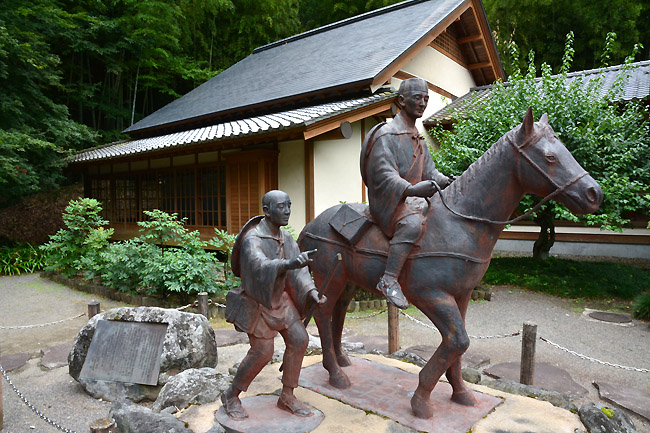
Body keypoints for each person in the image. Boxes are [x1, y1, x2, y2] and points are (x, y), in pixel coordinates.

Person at [221, 190, 326, 419]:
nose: (287, 211)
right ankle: (231, 395)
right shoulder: (252, 239)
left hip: (282, 301)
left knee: (299, 339)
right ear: (267, 211)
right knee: (262, 352)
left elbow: (300, 272)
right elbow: (258, 266)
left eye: (289, 205)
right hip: (258, 302)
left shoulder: (286, 238)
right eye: (281, 207)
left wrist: (312, 292)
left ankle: (287, 394)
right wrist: (288, 263)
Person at [360, 78, 454, 309]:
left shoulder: (417, 136)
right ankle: (389, 279)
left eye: (426, 99)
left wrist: (450, 182)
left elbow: (430, 171)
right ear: (401, 100)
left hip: (412, 199)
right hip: (391, 203)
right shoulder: (386, 134)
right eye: (417, 98)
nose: (422, 103)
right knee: (412, 223)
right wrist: (410, 189)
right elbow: (382, 173)